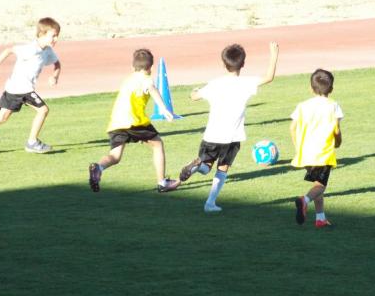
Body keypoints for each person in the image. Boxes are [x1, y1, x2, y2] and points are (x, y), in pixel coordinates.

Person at [178, 42, 279, 213]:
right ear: (243, 64)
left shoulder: (215, 84)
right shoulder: (246, 83)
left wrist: (193, 91)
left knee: (206, 167)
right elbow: (269, 77)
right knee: (222, 169)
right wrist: (274, 55)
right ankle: (210, 203)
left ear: (223, 63)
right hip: (232, 136)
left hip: (211, 135)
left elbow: (194, 97)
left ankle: (196, 166)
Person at [0, 17, 62, 157]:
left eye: (57, 36)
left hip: (16, 89)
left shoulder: (48, 51)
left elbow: (57, 64)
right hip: (21, 89)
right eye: (53, 36)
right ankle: (32, 142)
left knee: (2, 117)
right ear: (41, 34)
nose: (56, 39)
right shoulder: (30, 49)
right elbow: (9, 50)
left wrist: (55, 76)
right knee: (43, 110)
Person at [88, 48, 179, 193]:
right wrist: (163, 108)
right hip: (134, 122)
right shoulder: (146, 79)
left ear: (132, 67)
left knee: (115, 156)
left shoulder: (128, 79)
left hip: (116, 123)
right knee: (157, 144)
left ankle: (98, 167)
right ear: (151, 68)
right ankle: (162, 183)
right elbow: (152, 89)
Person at [291, 69, 343, 228]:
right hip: (323, 153)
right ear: (331, 89)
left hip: (305, 152)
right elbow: (337, 129)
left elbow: (292, 127)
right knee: (321, 185)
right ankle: (304, 200)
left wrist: (297, 146)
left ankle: (320, 218)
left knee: (317, 183)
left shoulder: (302, 106)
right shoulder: (333, 106)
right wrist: (338, 142)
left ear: (311, 88)